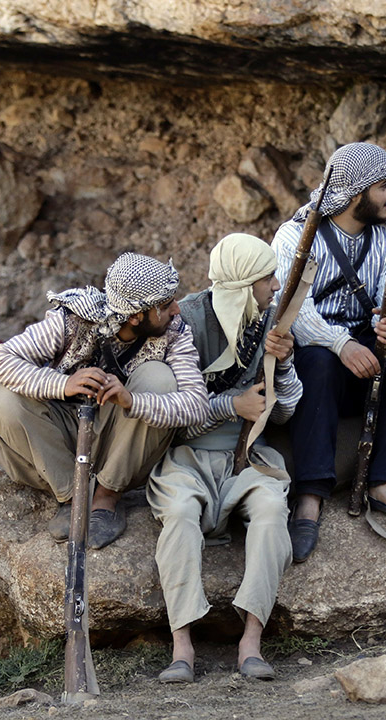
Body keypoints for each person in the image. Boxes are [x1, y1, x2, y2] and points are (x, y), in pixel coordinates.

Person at [273, 142, 386, 562]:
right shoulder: (294, 236)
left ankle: (385, 484)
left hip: (367, 344)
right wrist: (341, 344)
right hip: (321, 349)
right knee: (315, 362)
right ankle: (311, 496)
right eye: (384, 185)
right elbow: (291, 310)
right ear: (356, 193)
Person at [147, 233, 300, 684]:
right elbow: (175, 418)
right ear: (242, 284)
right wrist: (232, 405)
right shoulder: (185, 323)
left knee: (273, 510)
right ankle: (182, 648)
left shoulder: (271, 322)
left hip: (249, 456)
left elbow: (289, 410)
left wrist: (284, 366)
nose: (276, 285)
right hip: (186, 456)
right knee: (177, 512)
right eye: (267, 278)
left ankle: (250, 641)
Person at [0, 253, 208, 549]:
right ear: (136, 316)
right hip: (59, 446)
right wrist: (63, 384)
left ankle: (106, 496)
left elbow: (196, 405)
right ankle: (72, 496)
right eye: (165, 306)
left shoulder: (175, 335)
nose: (177, 310)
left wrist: (131, 401)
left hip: (121, 449)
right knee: (5, 400)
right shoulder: (74, 319)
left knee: (160, 378)